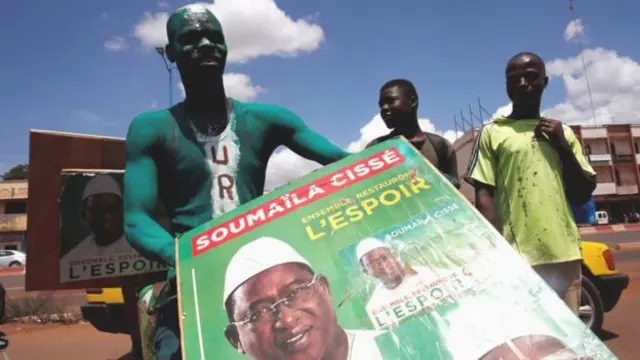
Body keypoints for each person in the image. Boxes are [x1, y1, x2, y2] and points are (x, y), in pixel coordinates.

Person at [123, 4, 349, 359]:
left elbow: (344, 163)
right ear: (171, 53)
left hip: (260, 280)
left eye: (215, 37)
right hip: (188, 287)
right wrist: (190, 261)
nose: (206, 45)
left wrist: (406, 169)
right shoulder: (150, 129)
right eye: (191, 39)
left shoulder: (267, 119)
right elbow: (136, 219)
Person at [465, 52, 596, 315]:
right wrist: (498, 252)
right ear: (507, 86)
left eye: (531, 77)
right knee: (529, 344)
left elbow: (583, 193)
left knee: (568, 342)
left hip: (564, 253)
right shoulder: (492, 133)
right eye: (515, 79)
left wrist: (562, 147)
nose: (524, 83)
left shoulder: (563, 132)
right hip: (517, 258)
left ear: (545, 82)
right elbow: (484, 196)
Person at [223, 237, 384, 360]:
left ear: (324, 289)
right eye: (259, 313)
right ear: (236, 339)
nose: (287, 319)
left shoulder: (393, 346)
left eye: (295, 293)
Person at [366, 79, 459, 188]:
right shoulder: (375, 148)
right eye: (381, 105)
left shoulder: (440, 145)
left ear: (412, 102)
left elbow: (456, 191)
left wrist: (443, 182)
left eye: (391, 101)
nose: (384, 108)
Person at [61, 174, 129, 263]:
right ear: (84, 216)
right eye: (97, 210)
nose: (106, 216)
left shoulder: (139, 246)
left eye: (111, 208)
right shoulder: (76, 255)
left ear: (122, 210)